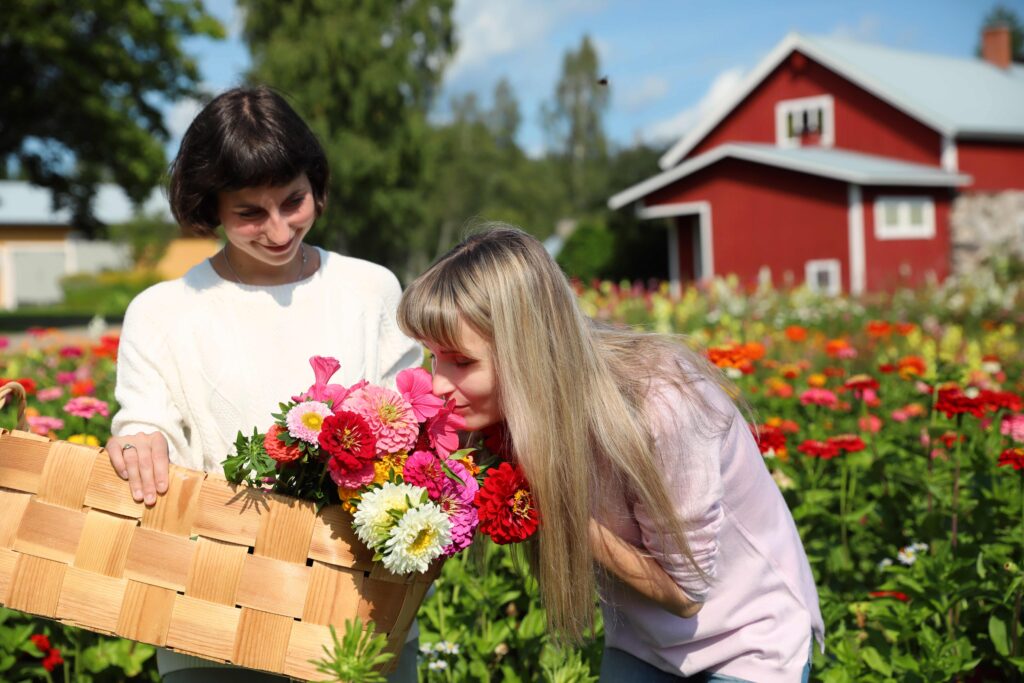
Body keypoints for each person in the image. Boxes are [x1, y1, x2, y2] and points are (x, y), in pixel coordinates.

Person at [396, 225, 824, 682]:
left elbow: (687, 592)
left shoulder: (661, 401)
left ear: (529, 351)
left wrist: (554, 505)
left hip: (748, 639)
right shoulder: (512, 413)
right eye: (433, 357)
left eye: (462, 362)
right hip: (643, 642)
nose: (438, 383)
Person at [106, 86, 422, 682]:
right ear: (210, 207)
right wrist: (137, 440)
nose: (278, 230)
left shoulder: (370, 289)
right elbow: (144, 422)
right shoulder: (162, 310)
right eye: (249, 212)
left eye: (293, 201)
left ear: (317, 185)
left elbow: (410, 426)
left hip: (356, 607)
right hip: (209, 615)